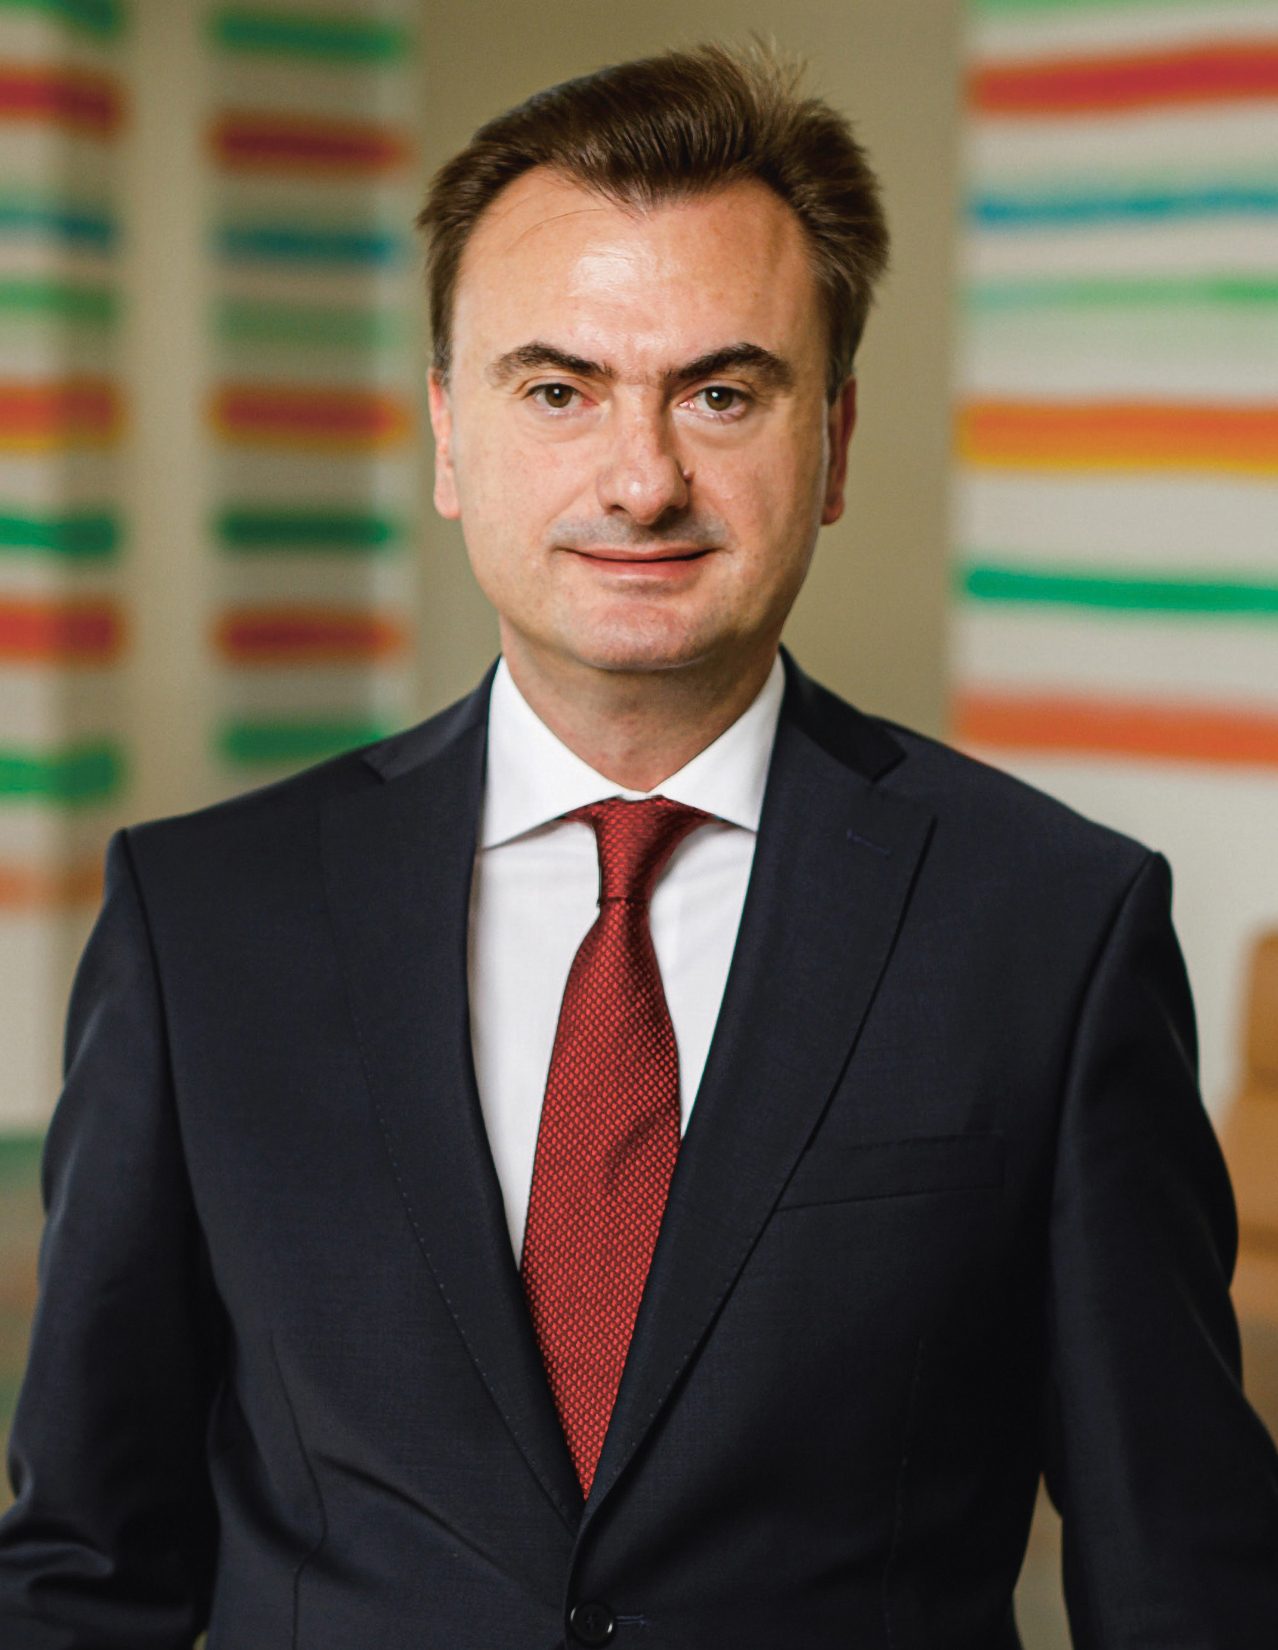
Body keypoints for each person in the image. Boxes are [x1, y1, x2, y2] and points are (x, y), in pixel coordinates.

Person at [2, 40, 1276, 1650]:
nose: (642, 477)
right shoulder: (202, 925)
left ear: (833, 440)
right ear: (449, 435)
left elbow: (1185, 1572)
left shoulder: (1052, 926)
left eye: (722, 391)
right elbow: (85, 1570)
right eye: (559, 388)